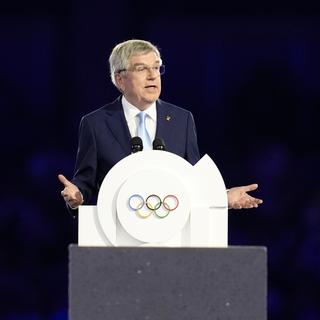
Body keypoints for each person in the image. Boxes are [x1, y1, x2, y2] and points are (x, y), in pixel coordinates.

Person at [58, 39, 263, 210]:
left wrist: (223, 197)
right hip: (117, 235)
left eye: (156, 67)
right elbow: (85, 182)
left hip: (173, 232)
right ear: (120, 79)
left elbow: (193, 182)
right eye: (142, 69)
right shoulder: (95, 124)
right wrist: (77, 197)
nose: (153, 75)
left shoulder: (182, 120)